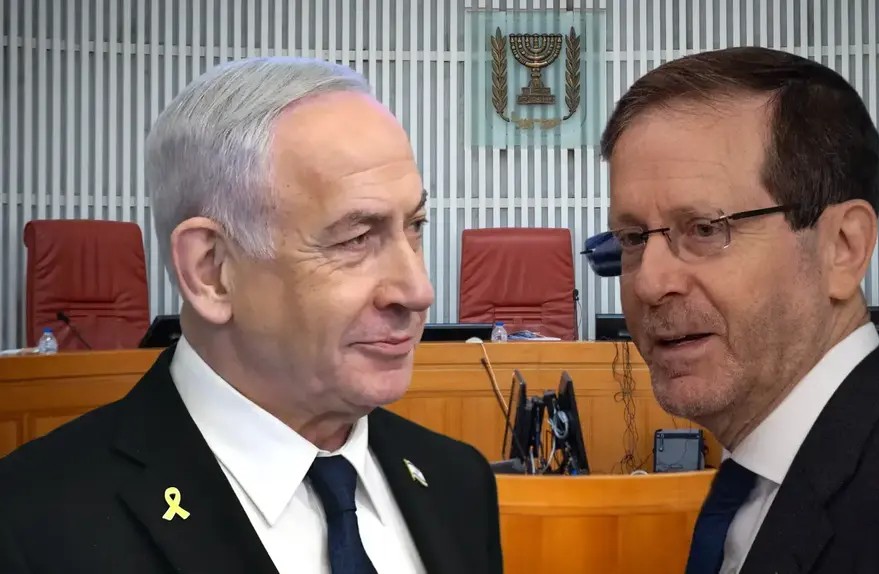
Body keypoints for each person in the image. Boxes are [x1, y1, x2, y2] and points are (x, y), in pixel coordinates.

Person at [0, 57, 502, 574]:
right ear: (212, 271)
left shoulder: (459, 483)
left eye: (415, 225)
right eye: (356, 238)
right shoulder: (28, 530)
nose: (419, 290)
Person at [601, 47, 879, 574]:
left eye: (706, 228)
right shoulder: (760, 478)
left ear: (842, 247)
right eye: (633, 237)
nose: (649, 282)